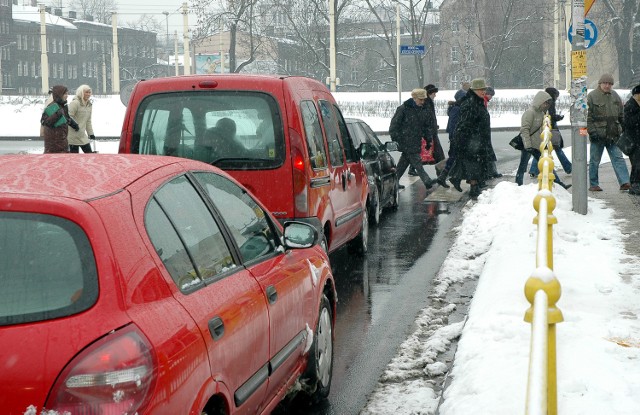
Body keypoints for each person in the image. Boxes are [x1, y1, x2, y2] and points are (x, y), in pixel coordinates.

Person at [515, 90, 570, 189]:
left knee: (546, 165)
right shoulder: (529, 113)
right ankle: (518, 185)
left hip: (537, 144)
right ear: (540, 101)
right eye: (545, 103)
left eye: (548, 103)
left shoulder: (541, 113)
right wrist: (527, 145)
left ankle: (558, 183)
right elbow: (525, 130)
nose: (546, 105)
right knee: (523, 166)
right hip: (528, 145)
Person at [448, 78, 492, 198]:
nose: (483, 91)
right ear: (475, 90)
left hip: (477, 138)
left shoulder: (477, 101)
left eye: (484, 89)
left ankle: (457, 179)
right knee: (474, 164)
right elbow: (465, 122)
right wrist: (467, 135)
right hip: (472, 139)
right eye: (481, 89)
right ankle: (473, 187)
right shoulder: (471, 102)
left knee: (471, 162)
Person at [587, 73, 631, 191]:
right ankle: (593, 184)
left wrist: (623, 128)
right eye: (605, 83)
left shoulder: (615, 96)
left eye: (609, 84)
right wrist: (592, 132)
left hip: (614, 135)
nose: (607, 86)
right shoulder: (591, 96)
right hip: (598, 135)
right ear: (600, 83)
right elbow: (588, 117)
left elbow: (621, 114)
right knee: (595, 161)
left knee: (618, 159)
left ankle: (625, 182)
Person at [389, 88, 434, 191]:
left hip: (415, 140)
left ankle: (394, 182)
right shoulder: (403, 109)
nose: (422, 102)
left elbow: (426, 127)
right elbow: (394, 126)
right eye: (420, 99)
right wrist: (397, 139)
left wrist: (428, 140)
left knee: (404, 162)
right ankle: (427, 180)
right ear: (414, 98)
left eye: (424, 100)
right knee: (416, 160)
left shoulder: (422, 110)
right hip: (405, 140)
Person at [529, 87, 571, 176]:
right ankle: (568, 167)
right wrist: (558, 117)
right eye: (556, 96)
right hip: (550, 129)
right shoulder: (550, 103)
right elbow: (550, 116)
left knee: (541, 149)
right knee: (557, 148)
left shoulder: (543, 102)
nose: (557, 98)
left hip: (543, 128)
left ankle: (533, 170)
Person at [40, 85, 79, 153]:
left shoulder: (63, 105)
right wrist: (57, 114)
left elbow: (66, 118)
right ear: (59, 94)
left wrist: (74, 124)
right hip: (53, 141)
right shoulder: (52, 106)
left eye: (67, 93)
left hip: (62, 138)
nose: (67, 96)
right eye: (65, 94)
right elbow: (45, 122)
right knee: (54, 161)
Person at [67, 84, 95, 153]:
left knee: (89, 156)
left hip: (82, 135)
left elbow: (88, 121)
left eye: (89, 92)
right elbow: (68, 116)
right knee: (74, 160)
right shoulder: (75, 103)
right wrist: (74, 125)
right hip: (72, 136)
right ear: (81, 93)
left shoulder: (89, 105)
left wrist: (90, 133)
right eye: (86, 92)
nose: (88, 94)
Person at [623, 84, 640, 195]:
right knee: (637, 164)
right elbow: (628, 123)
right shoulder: (630, 105)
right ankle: (634, 185)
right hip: (633, 141)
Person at [483, 86, 502, 180]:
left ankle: (490, 172)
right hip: (484, 132)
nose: (491, 98)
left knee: (487, 152)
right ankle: (490, 172)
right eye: (491, 95)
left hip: (484, 131)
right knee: (487, 152)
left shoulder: (483, 101)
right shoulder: (483, 101)